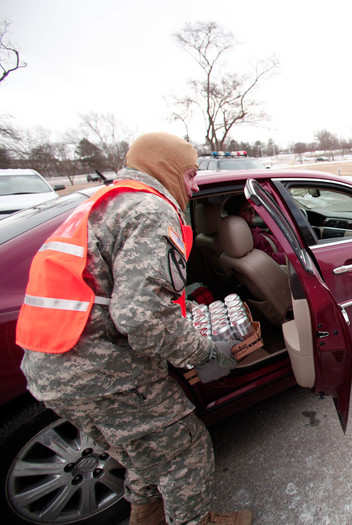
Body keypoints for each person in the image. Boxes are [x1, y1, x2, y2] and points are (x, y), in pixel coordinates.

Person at [17, 132, 252, 525]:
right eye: (191, 174)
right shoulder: (150, 210)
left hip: (53, 365)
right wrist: (206, 353)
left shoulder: (105, 203)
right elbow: (142, 317)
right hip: (102, 370)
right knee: (186, 450)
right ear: (166, 170)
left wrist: (182, 313)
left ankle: (146, 518)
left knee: (145, 452)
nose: (194, 186)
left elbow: (113, 293)